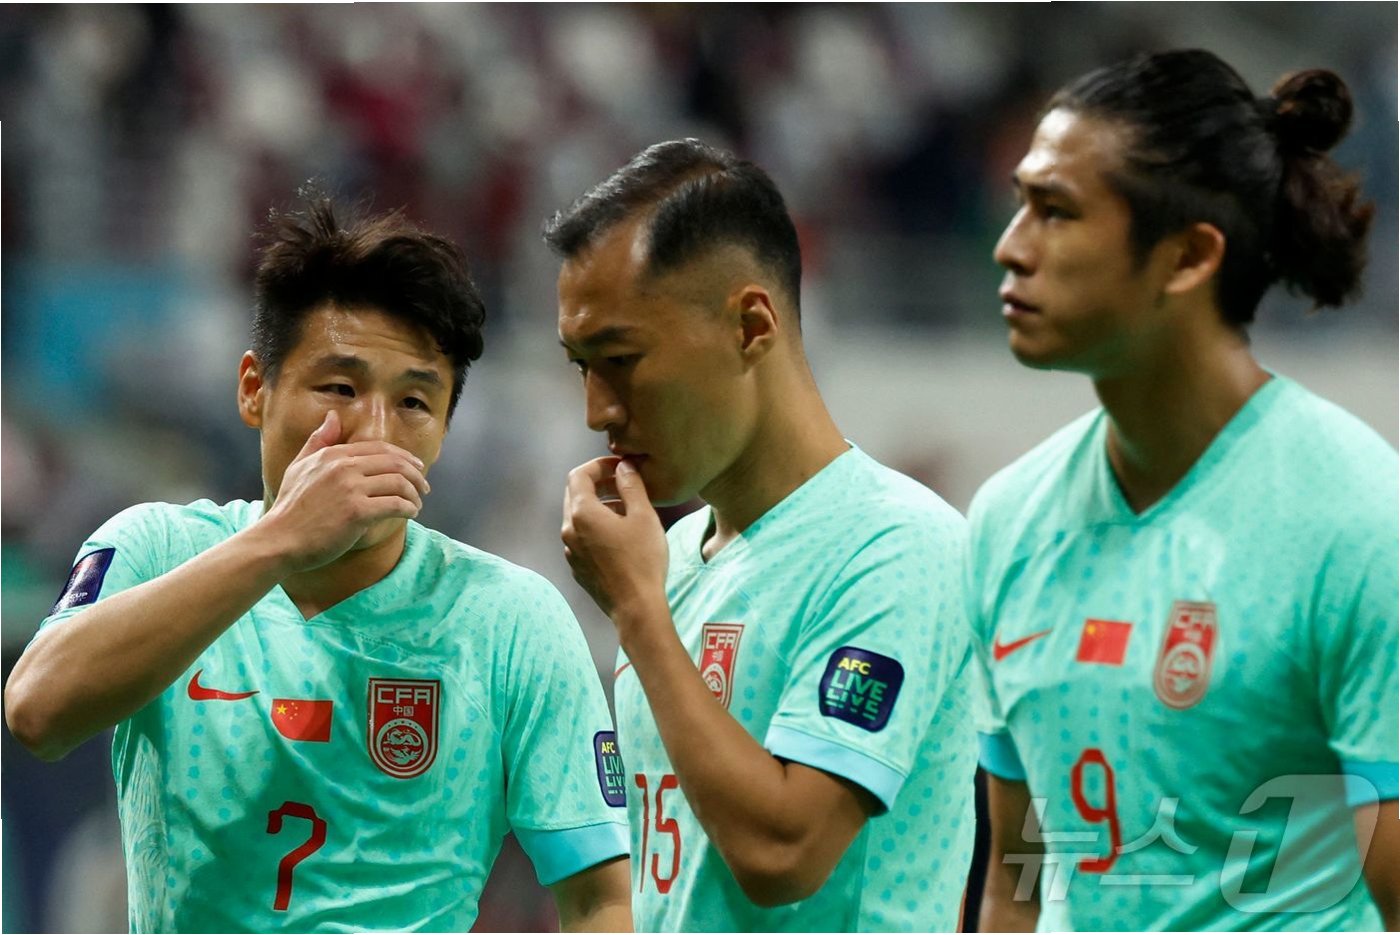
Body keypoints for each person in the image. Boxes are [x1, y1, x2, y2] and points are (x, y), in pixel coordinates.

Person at [4, 194, 632, 933]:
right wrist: (281, 540)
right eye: (340, 388)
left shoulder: (510, 620)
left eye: (414, 402)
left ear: (444, 429)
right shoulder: (158, 547)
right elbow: (37, 710)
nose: (374, 431)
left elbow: (601, 897)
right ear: (254, 389)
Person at [968, 49, 1398, 931]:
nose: (1011, 246)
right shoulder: (1006, 519)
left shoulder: (1358, 520)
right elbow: (1017, 882)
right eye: (1020, 204)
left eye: (1056, 211)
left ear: (1189, 256)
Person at [545, 139, 975, 932]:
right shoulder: (669, 559)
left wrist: (638, 612)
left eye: (621, 358)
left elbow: (785, 853)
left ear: (751, 324)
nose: (597, 408)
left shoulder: (897, 546)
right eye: (581, 365)